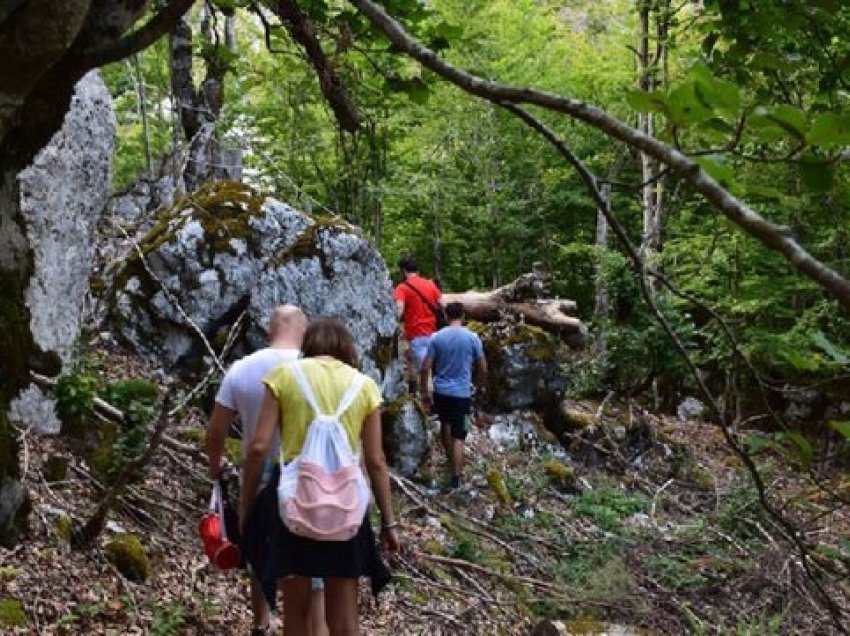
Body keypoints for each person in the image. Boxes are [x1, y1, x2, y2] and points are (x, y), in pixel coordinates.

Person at [240, 317, 400, 636]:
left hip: (293, 505)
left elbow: (258, 447)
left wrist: (247, 505)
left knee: (296, 612)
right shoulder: (364, 386)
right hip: (346, 510)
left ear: (308, 344)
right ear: (346, 348)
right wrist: (388, 522)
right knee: (344, 620)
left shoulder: (284, 376)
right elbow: (376, 460)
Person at [205, 305, 327, 636]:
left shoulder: (241, 369)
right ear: (303, 332)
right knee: (311, 572)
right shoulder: (315, 369)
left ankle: (262, 624)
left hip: (258, 481)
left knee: (259, 553)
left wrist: (215, 471)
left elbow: (216, 431)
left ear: (269, 331)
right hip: (309, 482)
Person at [420, 302, 487, 492]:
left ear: (446, 316)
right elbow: (483, 367)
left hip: (441, 392)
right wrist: (480, 387)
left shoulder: (436, 338)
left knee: (445, 425)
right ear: (463, 316)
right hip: (462, 395)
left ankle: (451, 460)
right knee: (460, 434)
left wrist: (425, 393)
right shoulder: (472, 338)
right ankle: (456, 478)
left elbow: (425, 367)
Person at [393, 254, 443, 392]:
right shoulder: (430, 284)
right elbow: (443, 303)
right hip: (435, 335)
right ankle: (412, 387)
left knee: (426, 373)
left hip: (417, 334)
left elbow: (399, 309)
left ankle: (431, 407)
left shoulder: (402, 288)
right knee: (410, 357)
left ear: (403, 271)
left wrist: (392, 324)